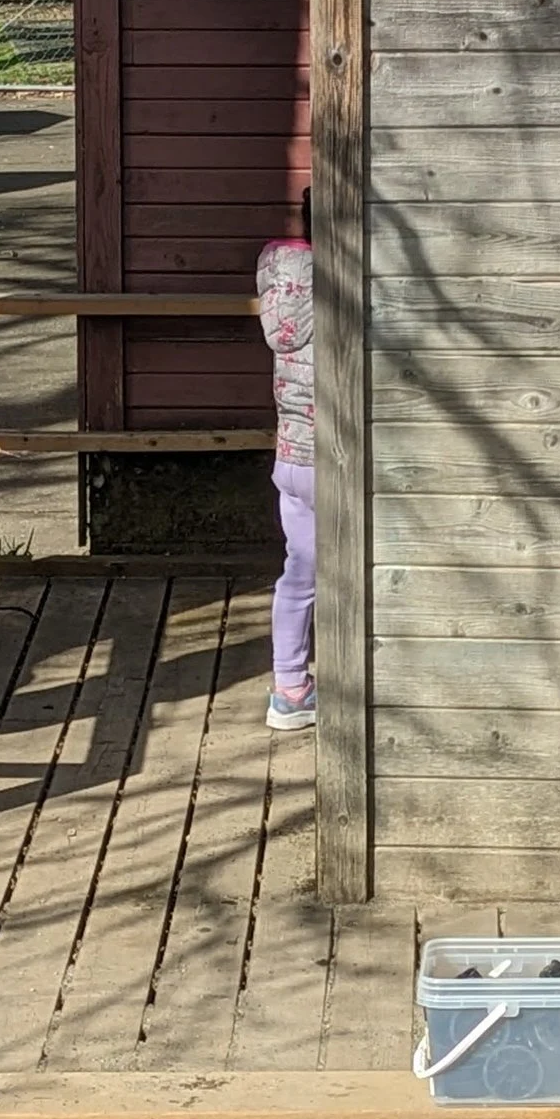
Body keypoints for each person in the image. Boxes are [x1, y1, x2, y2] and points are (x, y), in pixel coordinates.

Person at [257, 194, 315, 730]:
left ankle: (289, 687)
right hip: (335, 459)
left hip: (291, 457)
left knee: (299, 574)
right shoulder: (342, 282)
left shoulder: (281, 283)